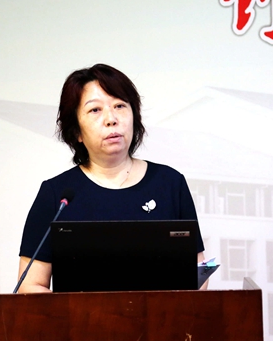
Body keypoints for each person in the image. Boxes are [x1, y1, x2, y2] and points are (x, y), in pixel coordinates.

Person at [17, 63, 207, 293]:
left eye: (119, 106)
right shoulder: (57, 195)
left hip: (161, 316)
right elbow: (30, 285)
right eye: (95, 110)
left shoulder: (170, 183)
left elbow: (197, 273)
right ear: (76, 131)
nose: (111, 118)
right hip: (81, 317)